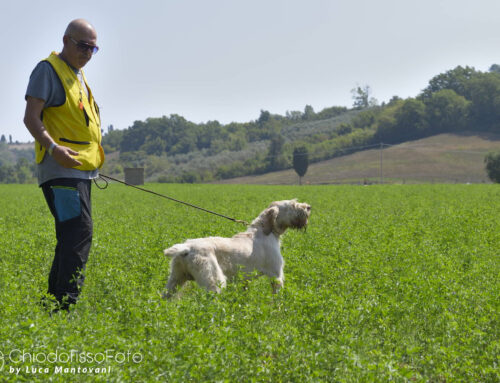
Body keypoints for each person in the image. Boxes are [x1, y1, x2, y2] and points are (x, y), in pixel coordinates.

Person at [23, 19, 104, 311]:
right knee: (79, 231)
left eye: (93, 48)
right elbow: (31, 117)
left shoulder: (77, 75)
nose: (87, 53)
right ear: (66, 40)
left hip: (78, 170)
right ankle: (64, 305)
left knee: (71, 233)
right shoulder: (47, 70)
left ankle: (53, 304)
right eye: (83, 45)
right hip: (60, 170)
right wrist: (54, 148)